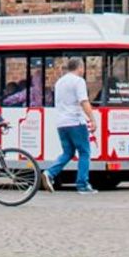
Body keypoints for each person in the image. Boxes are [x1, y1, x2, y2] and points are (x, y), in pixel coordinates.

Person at [44, 57, 97, 194]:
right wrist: (92, 119)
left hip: (62, 123)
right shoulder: (78, 81)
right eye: (83, 67)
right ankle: (82, 184)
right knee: (84, 152)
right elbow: (84, 101)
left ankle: (49, 172)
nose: (83, 70)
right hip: (76, 121)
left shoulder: (60, 82)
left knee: (68, 152)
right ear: (79, 67)